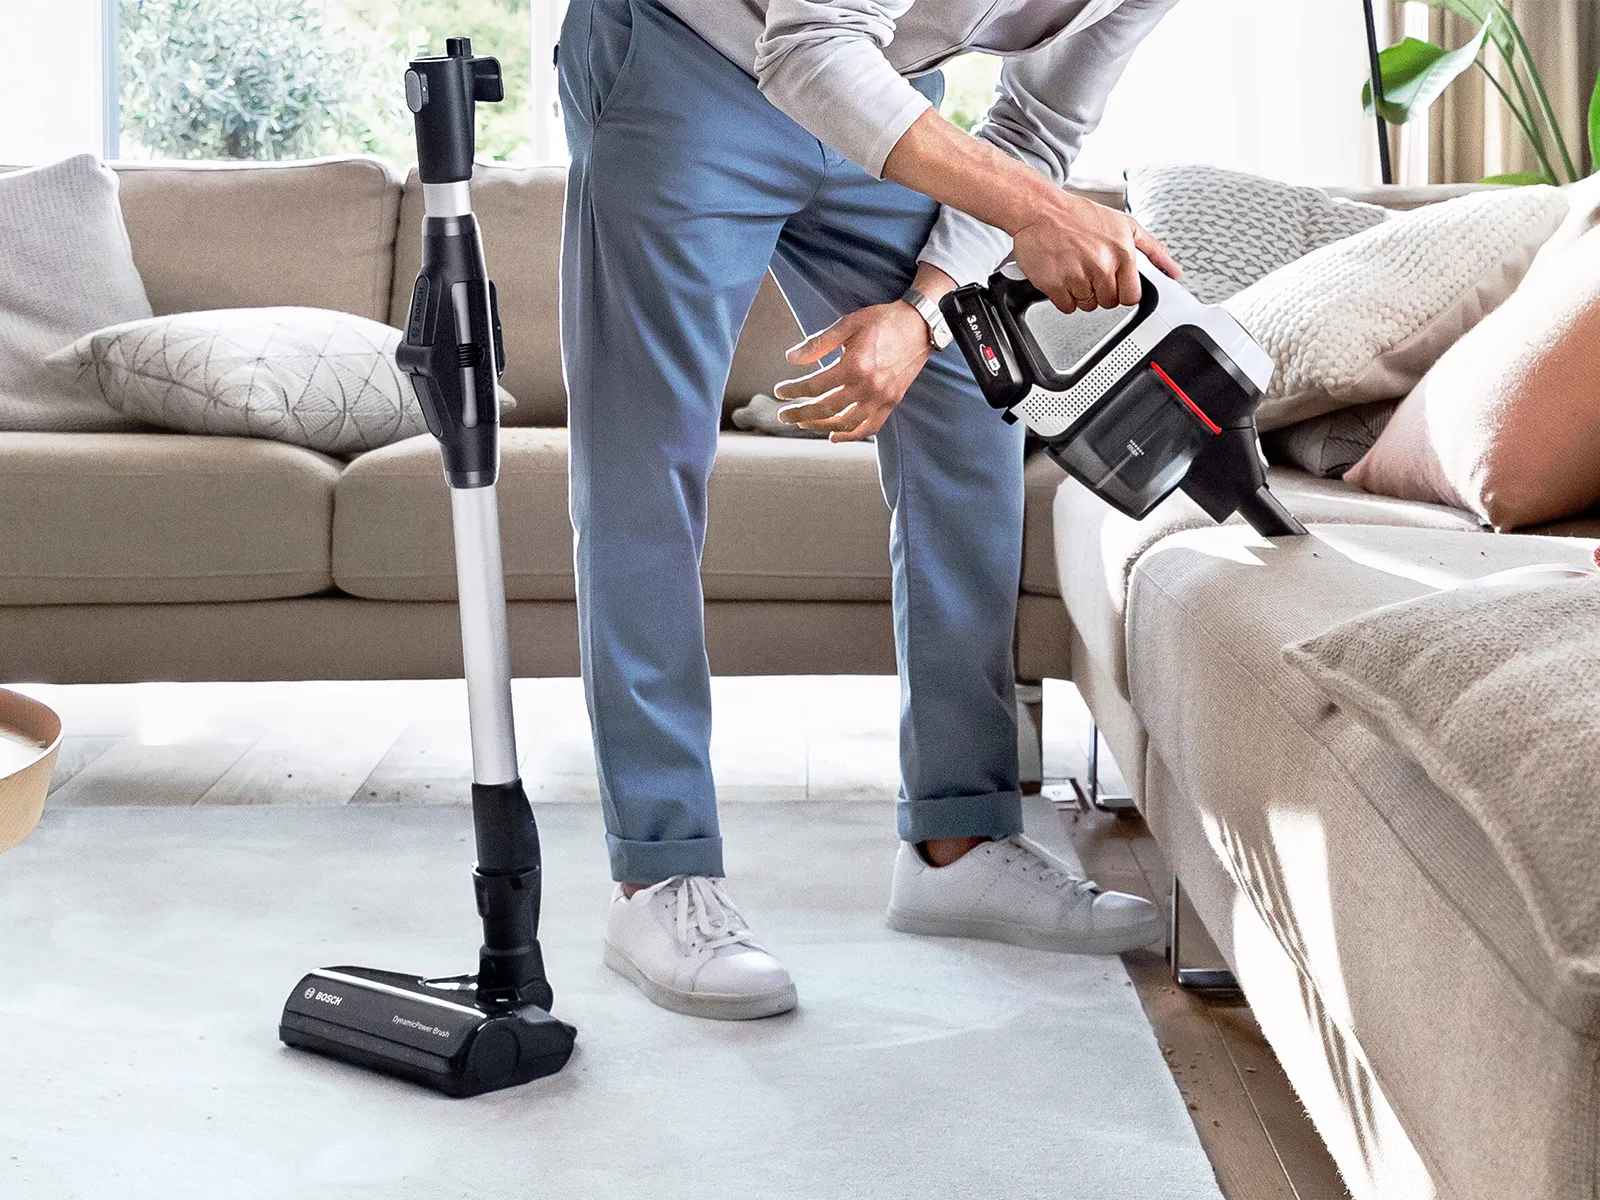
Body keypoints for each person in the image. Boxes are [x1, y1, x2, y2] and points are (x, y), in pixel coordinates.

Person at [558, 0, 1183, 1021]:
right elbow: (805, 46)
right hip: (689, 60)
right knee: (647, 457)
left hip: (871, 97)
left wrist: (926, 310)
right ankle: (657, 871)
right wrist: (1040, 213)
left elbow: (1035, 131)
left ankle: (958, 842)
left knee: (970, 400)